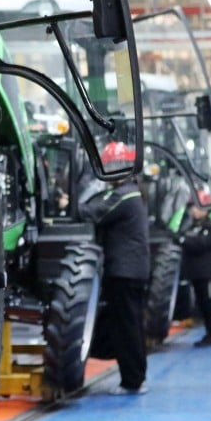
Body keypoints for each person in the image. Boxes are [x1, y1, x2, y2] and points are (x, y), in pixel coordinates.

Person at [80, 141, 150, 395]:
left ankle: (132, 381)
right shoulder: (133, 193)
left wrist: (71, 203)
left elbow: (93, 212)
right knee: (131, 324)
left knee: (127, 327)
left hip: (125, 271)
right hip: (132, 270)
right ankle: (135, 376)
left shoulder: (124, 196)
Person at [177, 190, 211, 347]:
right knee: (202, 304)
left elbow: (200, 244)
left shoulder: (210, 228)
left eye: (197, 207)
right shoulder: (192, 226)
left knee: (209, 304)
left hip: (207, 274)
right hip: (197, 274)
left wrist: (183, 240)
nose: (194, 210)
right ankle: (208, 334)